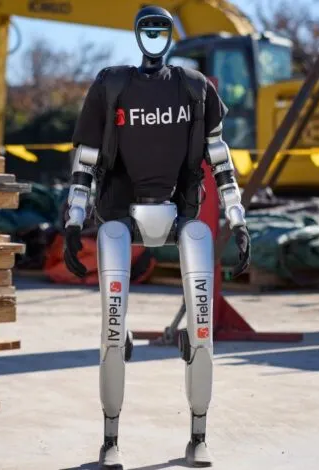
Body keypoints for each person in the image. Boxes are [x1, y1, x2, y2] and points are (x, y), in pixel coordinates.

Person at [62, 5, 251, 469]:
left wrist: (237, 218)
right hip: (119, 215)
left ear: (169, 35)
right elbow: (86, 159)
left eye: (161, 28)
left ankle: (199, 433)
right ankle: (110, 438)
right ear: (135, 33)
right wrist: (73, 221)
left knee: (201, 327)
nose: (153, 35)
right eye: (146, 27)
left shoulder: (194, 88)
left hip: (180, 212)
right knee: (111, 329)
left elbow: (220, 157)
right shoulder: (112, 85)